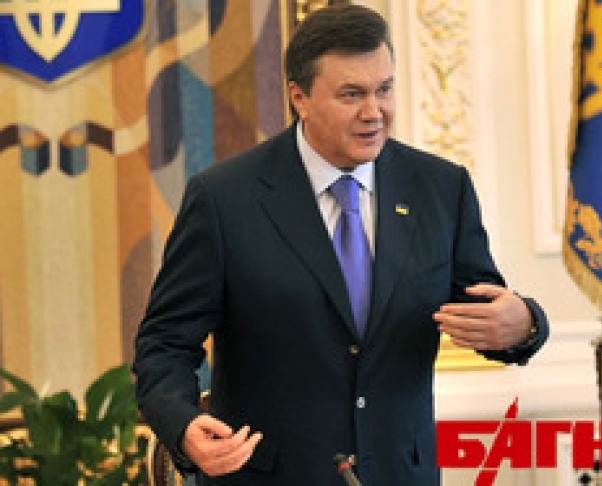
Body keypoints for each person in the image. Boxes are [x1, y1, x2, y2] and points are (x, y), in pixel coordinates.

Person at [133, 5, 549, 486]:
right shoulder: (224, 199)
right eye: (352, 94)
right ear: (300, 98)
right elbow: (164, 344)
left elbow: (487, 311)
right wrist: (183, 425)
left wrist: (524, 324)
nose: (374, 112)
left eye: (384, 89)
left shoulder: (440, 188)